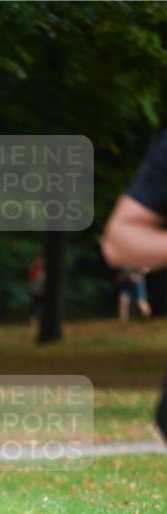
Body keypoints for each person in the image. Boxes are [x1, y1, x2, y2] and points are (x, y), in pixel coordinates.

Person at [102, 129, 167, 442]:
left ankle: (136, 315)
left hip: (135, 280)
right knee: (129, 300)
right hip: (131, 280)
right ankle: (131, 317)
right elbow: (120, 240)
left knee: (134, 300)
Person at [27, 250, 45, 331]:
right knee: (35, 307)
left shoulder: (44, 268)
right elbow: (32, 281)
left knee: (41, 307)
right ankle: (34, 324)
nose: (38, 260)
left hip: (42, 291)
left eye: (40, 258)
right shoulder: (33, 268)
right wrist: (37, 290)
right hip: (37, 291)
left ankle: (41, 323)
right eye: (37, 258)